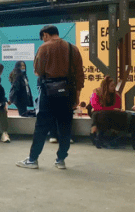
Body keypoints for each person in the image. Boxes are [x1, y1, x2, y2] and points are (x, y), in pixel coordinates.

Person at [16, 25, 84, 170]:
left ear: (45, 35)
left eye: (43, 38)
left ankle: (33, 160)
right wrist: (77, 96)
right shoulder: (73, 49)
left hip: (49, 92)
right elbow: (79, 75)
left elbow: (38, 71)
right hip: (68, 92)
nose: (43, 41)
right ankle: (61, 160)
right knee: (65, 127)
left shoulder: (44, 48)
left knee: (41, 127)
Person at [88, 75, 128, 148]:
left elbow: (117, 107)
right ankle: (96, 136)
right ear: (106, 87)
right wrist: (111, 109)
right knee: (99, 114)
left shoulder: (116, 95)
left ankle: (111, 136)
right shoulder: (96, 93)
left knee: (121, 115)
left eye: (114, 85)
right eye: (112, 86)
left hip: (108, 113)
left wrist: (110, 109)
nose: (114, 87)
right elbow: (96, 107)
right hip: (98, 112)